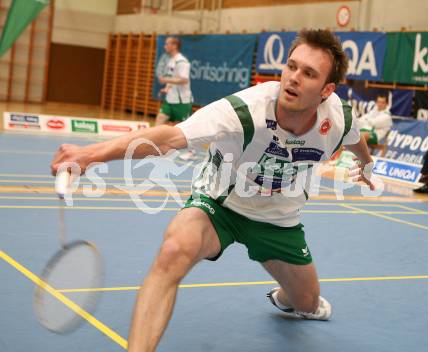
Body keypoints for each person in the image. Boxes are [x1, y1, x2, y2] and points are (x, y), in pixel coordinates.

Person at [51, 29, 375, 352]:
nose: (293, 78)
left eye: (308, 73)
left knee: (307, 302)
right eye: (291, 66)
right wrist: (90, 155)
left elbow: (354, 139)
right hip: (218, 205)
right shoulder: (244, 111)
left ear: (326, 90)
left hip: (278, 218)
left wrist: (366, 163)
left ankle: (287, 298)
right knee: (173, 251)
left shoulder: (338, 118)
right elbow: (167, 138)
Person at [155, 36, 196, 161]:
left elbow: (183, 80)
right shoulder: (171, 61)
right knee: (159, 121)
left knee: (183, 128)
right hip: (170, 99)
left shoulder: (182, 62)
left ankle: (192, 150)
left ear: (174, 46)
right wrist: (167, 88)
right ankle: (158, 148)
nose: (165, 46)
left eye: (167, 44)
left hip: (182, 101)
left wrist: (165, 80)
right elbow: (173, 78)